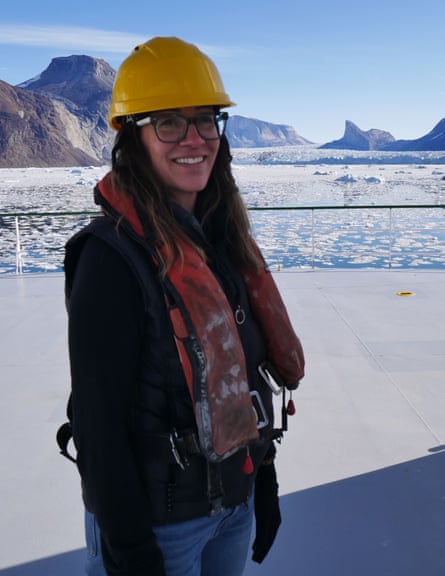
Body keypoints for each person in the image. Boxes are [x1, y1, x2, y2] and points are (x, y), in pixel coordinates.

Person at [63, 36, 305, 576]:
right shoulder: (111, 259)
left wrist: (260, 481)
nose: (193, 139)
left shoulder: (222, 242)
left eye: (205, 121)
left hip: (231, 509)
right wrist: (130, 552)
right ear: (133, 138)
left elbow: (241, 381)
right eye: (169, 123)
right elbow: (97, 428)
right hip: (158, 528)